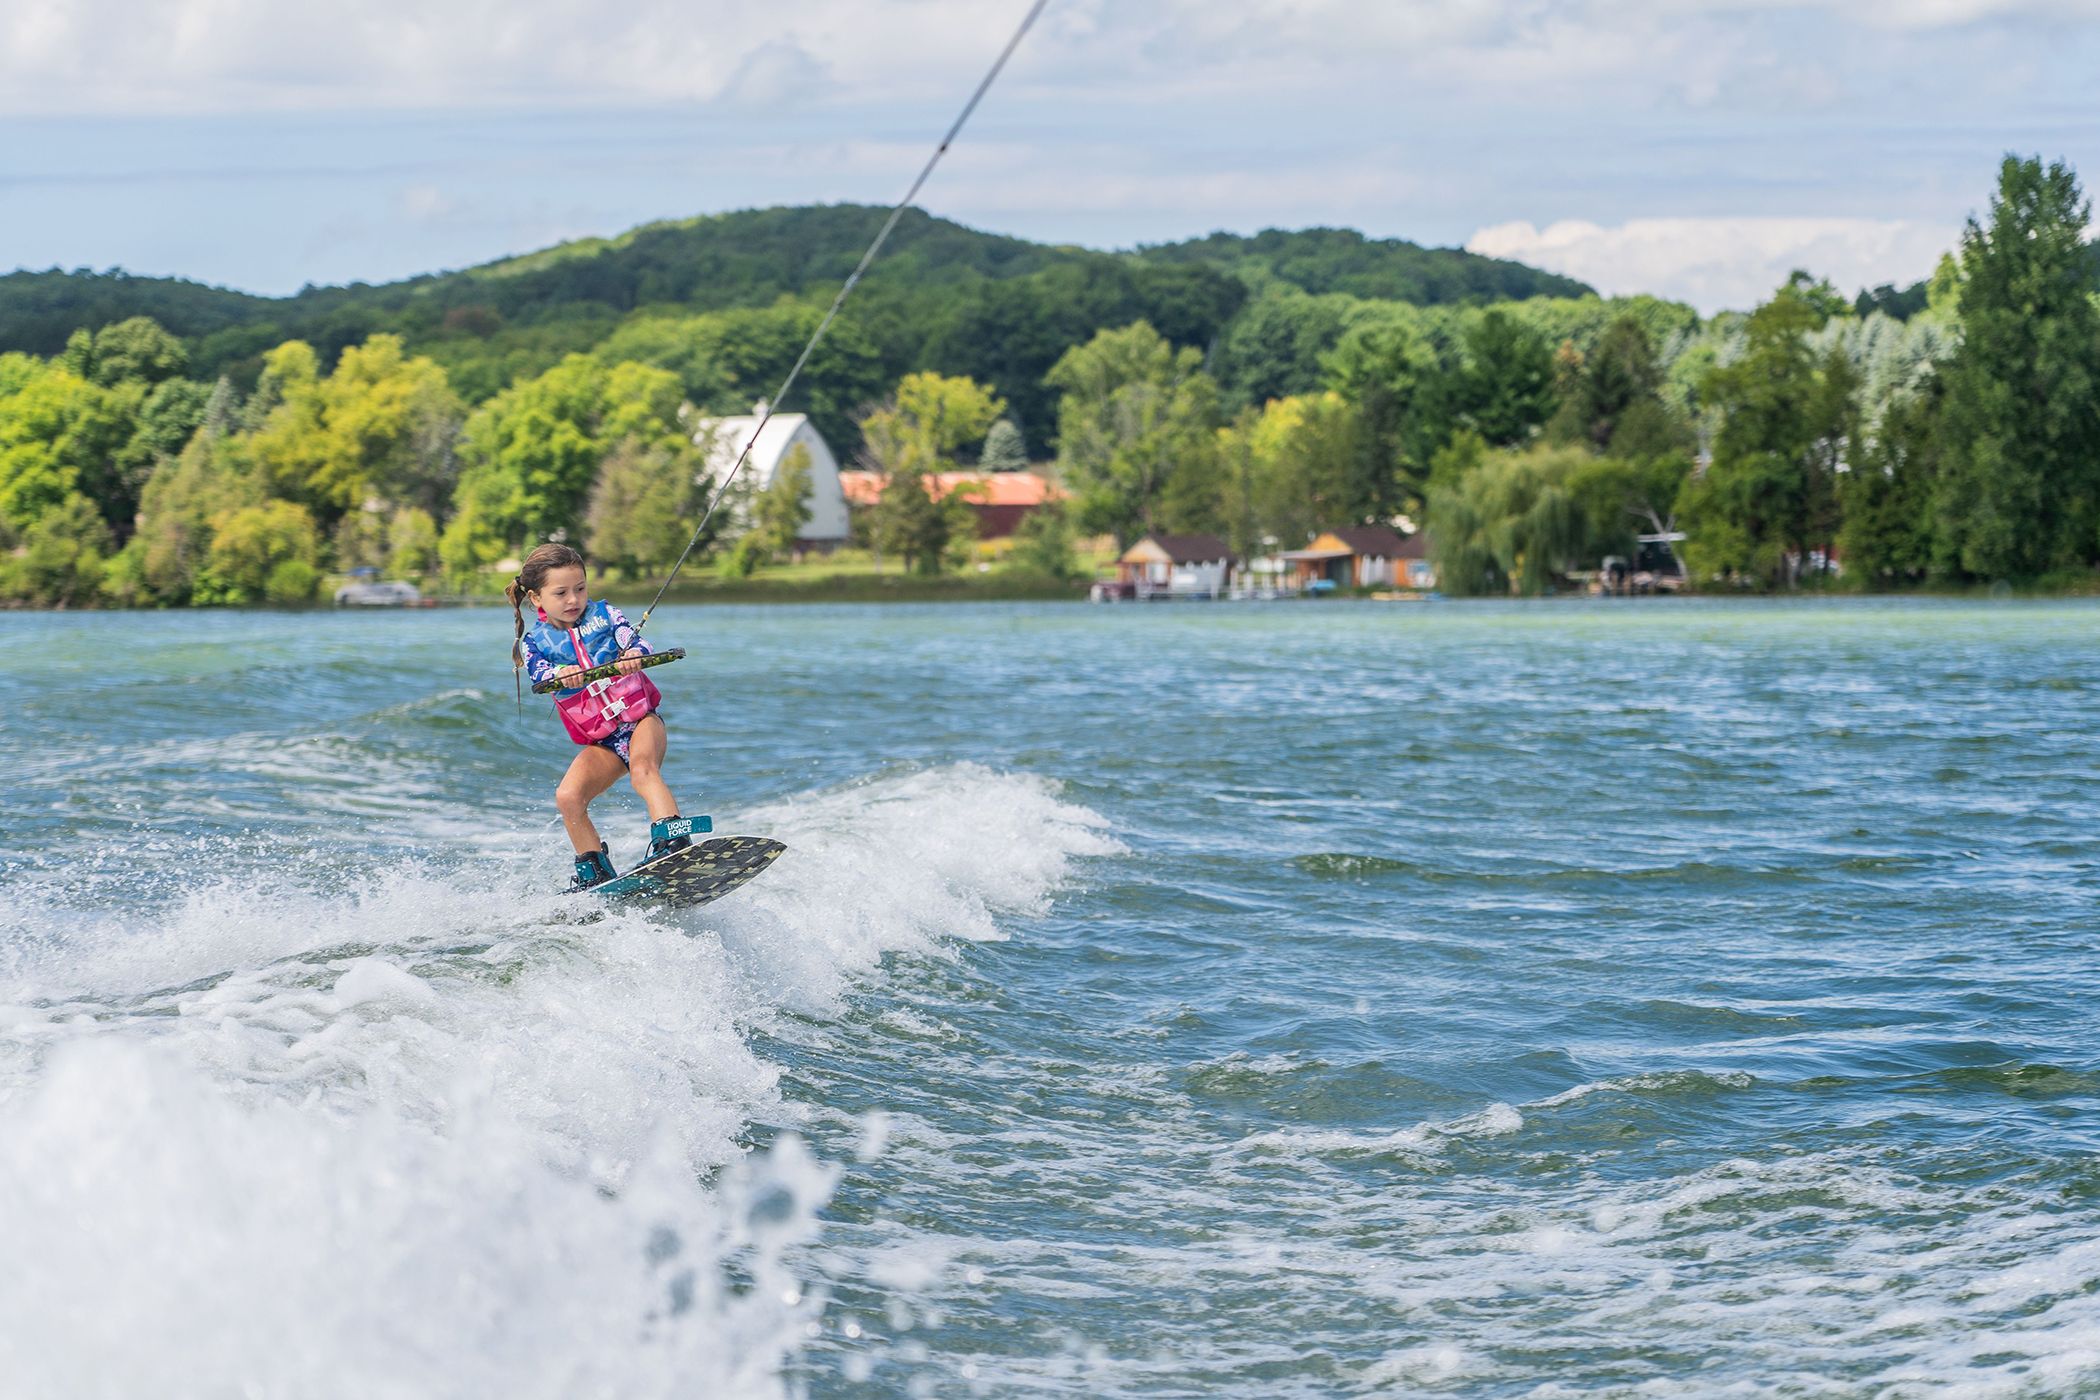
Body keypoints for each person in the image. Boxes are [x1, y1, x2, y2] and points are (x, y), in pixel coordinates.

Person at [507, 542, 698, 890]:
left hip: (641, 721)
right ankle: (594, 870)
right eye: (561, 592)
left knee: (643, 770)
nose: (573, 599)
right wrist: (561, 674)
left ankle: (673, 842)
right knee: (568, 796)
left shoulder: (607, 615)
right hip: (603, 742)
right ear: (536, 599)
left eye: (580, 589)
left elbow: (636, 640)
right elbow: (540, 675)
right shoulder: (535, 645)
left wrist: (634, 654)